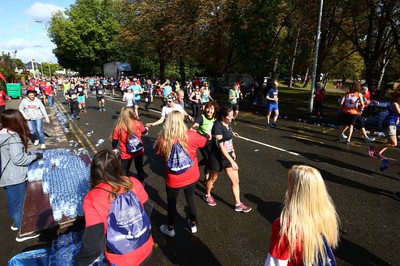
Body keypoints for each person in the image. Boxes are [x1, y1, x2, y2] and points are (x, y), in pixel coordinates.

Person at [75, 149, 153, 265]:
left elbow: (95, 244)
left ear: (94, 172)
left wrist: (78, 262)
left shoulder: (92, 198)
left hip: (122, 259)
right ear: (117, 167)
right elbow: (148, 207)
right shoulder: (133, 182)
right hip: (145, 247)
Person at [264, 165, 340, 266]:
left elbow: (274, 263)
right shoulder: (328, 215)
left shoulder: (286, 227)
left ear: (295, 191)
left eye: (289, 184)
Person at [155, 111, 207, 236]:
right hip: (192, 175)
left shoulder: (164, 139)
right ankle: (193, 223)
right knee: (190, 199)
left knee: (172, 202)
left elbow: (159, 154)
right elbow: (205, 142)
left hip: (174, 179)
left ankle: (170, 228)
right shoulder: (191, 135)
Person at [0, 109, 43, 242]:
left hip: (6, 174)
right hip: (15, 176)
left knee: (13, 202)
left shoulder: (2, 133)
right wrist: (35, 157)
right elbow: (18, 159)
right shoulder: (13, 138)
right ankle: (22, 231)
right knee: (19, 204)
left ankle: (16, 221)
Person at [203, 105, 252, 212]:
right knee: (213, 179)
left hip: (228, 156)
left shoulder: (228, 124)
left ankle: (238, 203)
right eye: (229, 116)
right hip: (217, 158)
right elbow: (220, 147)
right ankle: (207, 194)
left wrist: (233, 151)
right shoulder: (217, 126)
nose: (232, 117)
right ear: (222, 116)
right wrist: (232, 161)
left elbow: (229, 140)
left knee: (236, 181)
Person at [111, 107, 148, 182]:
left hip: (126, 153)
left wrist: (114, 148)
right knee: (139, 168)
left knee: (124, 170)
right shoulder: (137, 123)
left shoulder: (119, 126)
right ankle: (141, 182)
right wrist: (146, 128)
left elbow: (115, 139)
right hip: (138, 150)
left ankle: (125, 184)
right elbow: (145, 132)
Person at [190, 101, 218, 183]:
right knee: (209, 160)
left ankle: (201, 162)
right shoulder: (201, 117)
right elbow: (195, 125)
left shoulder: (215, 118)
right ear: (205, 109)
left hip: (212, 142)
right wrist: (192, 129)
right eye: (208, 108)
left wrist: (231, 132)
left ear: (214, 110)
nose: (209, 110)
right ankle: (206, 178)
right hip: (203, 143)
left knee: (210, 159)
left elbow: (222, 125)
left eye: (211, 108)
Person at [368, 90, 400, 159]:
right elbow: (398, 113)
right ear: (397, 98)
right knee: (394, 143)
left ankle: (378, 153)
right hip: (389, 124)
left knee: (389, 142)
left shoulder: (398, 105)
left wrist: (398, 119)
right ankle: (374, 150)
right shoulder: (395, 104)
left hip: (393, 125)